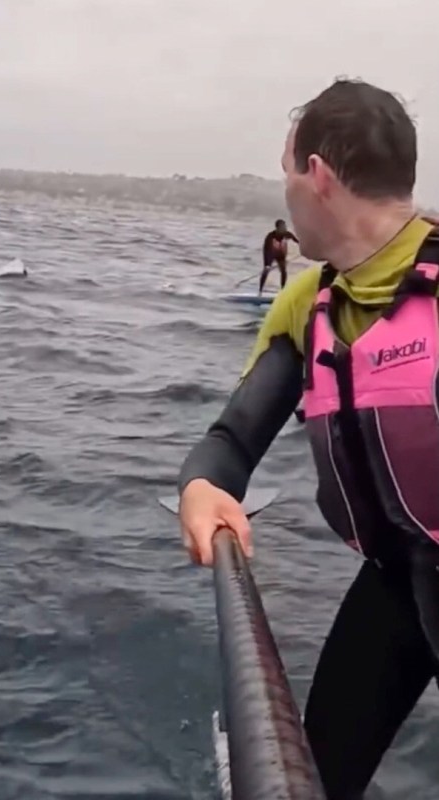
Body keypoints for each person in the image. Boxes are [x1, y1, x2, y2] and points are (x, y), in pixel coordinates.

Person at [175, 77, 439, 798]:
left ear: (316, 177)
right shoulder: (307, 304)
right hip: (394, 585)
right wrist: (202, 488)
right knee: (311, 777)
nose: (284, 193)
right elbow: (233, 438)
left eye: (286, 173)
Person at [259, 218, 300, 293]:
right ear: (277, 228)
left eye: (285, 226)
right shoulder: (270, 236)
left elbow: (297, 241)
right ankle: (260, 290)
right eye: (282, 227)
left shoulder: (287, 234)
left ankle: (283, 291)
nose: (284, 228)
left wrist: (305, 248)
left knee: (284, 271)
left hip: (281, 255)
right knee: (266, 271)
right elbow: (266, 250)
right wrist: (267, 264)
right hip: (270, 254)